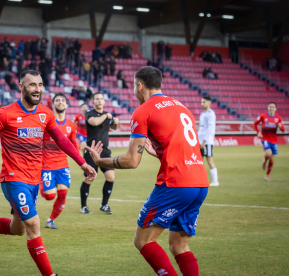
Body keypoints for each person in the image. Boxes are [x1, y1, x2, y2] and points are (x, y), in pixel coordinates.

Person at [0, 70, 97, 276]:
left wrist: (82, 163)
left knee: (17, 229)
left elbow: (62, 140)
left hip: (33, 180)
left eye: (40, 85)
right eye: (32, 85)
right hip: (13, 179)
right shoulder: (4, 114)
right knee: (34, 225)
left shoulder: (45, 113)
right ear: (21, 87)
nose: (37, 89)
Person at [86, 66, 209, 276]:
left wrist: (100, 161)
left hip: (175, 184)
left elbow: (131, 161)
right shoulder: (182, 107)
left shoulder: (143, 111)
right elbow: (189, 149)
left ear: (139, 86)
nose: (134, 91)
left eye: (134, 86)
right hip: (199, 183)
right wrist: (161, 153)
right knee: (179, 246)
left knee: (143, 240)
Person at [40, 92, 78, 229]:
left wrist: (81, 162)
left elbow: (73, 145)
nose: (60, 102)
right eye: (57, 100)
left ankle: (50, 220)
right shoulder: (46, 122)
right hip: (47, 164)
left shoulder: (71, 125)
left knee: (62, 194)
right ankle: (40, 182)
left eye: (62, 100)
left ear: (66, 105)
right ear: (54, 104)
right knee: (50, 196)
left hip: (63, 165)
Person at [80, 92, 119, 214]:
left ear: (104, 101)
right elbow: (95, 122)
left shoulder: (107, 116)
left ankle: (104, 205)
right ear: (93, 101)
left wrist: (115, 121)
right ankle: (84, 206)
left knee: (110, 177)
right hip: (91, 151)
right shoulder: (89, 113)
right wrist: (108, 116)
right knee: (89, 178)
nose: (99, 101)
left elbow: (115, 127)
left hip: (105, 151)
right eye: (97, 99)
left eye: (101, 99)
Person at [254, 102, 285, 181]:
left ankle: (267, 175)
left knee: (271, 159)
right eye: (270, 107)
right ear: (268, 108)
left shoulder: (278, 118)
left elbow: (283, 130)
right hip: (265, 139)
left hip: (274, 141)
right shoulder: (263, 116)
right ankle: (265, 158)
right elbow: (255, 123)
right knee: (269, 153)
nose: (271, 108)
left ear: (275, 109)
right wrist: (258, 132)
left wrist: (280, 126)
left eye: (273, 107)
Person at [198, 96, 219, 186]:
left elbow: (210, 129)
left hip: (207, 142)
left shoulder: (211, 114)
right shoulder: (202, 114)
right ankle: (199, 180)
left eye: (204, 102)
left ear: (209, 102)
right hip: (200, 141)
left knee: (209, 160)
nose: (202, 104)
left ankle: (215, 181)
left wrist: (204, 141)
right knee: (199, 161)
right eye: (201, 102)